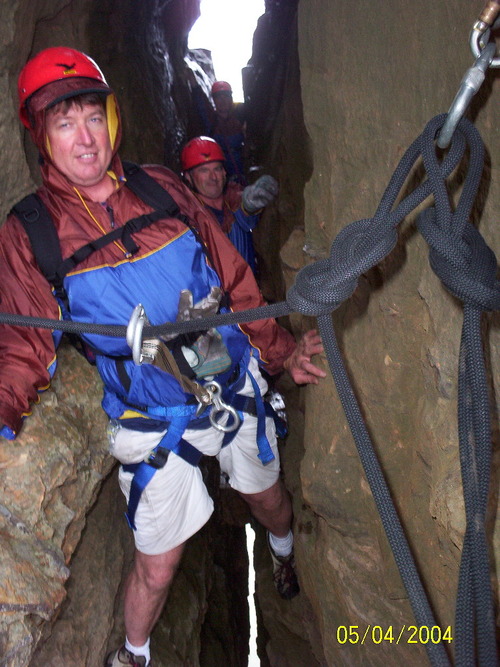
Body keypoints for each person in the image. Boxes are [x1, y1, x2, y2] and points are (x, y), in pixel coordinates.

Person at [1, 47, 326, 667]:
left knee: (267, 498)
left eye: (92, 117)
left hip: (226, 379)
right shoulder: (32, 233)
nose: (85, 138)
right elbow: (20, 348)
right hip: (152, 416)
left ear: (112, 121)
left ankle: (281, 552)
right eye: (64, 123)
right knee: (157, 565)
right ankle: (135, 653)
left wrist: (279, 353)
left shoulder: (158, 185)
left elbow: (232, 281)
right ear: (41, 136)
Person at [181, 135, 277, 275]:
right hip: (212, 294)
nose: (213, 177)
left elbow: (246, 217)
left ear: (224, 172)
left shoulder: (234, 197)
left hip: (248, 290)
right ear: (189, 177)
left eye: (217, 169)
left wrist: (251, 204)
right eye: (204, 171)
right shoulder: (186, 213)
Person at [191, 78, 247, 185]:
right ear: (214, 100)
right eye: (218, 98)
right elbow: (202, 106)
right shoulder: (212, 121)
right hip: (222, 176)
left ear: (231, 98)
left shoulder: (241, 116)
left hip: (244, 171)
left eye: (225, 96)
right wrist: (194, 86)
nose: (222, 101)